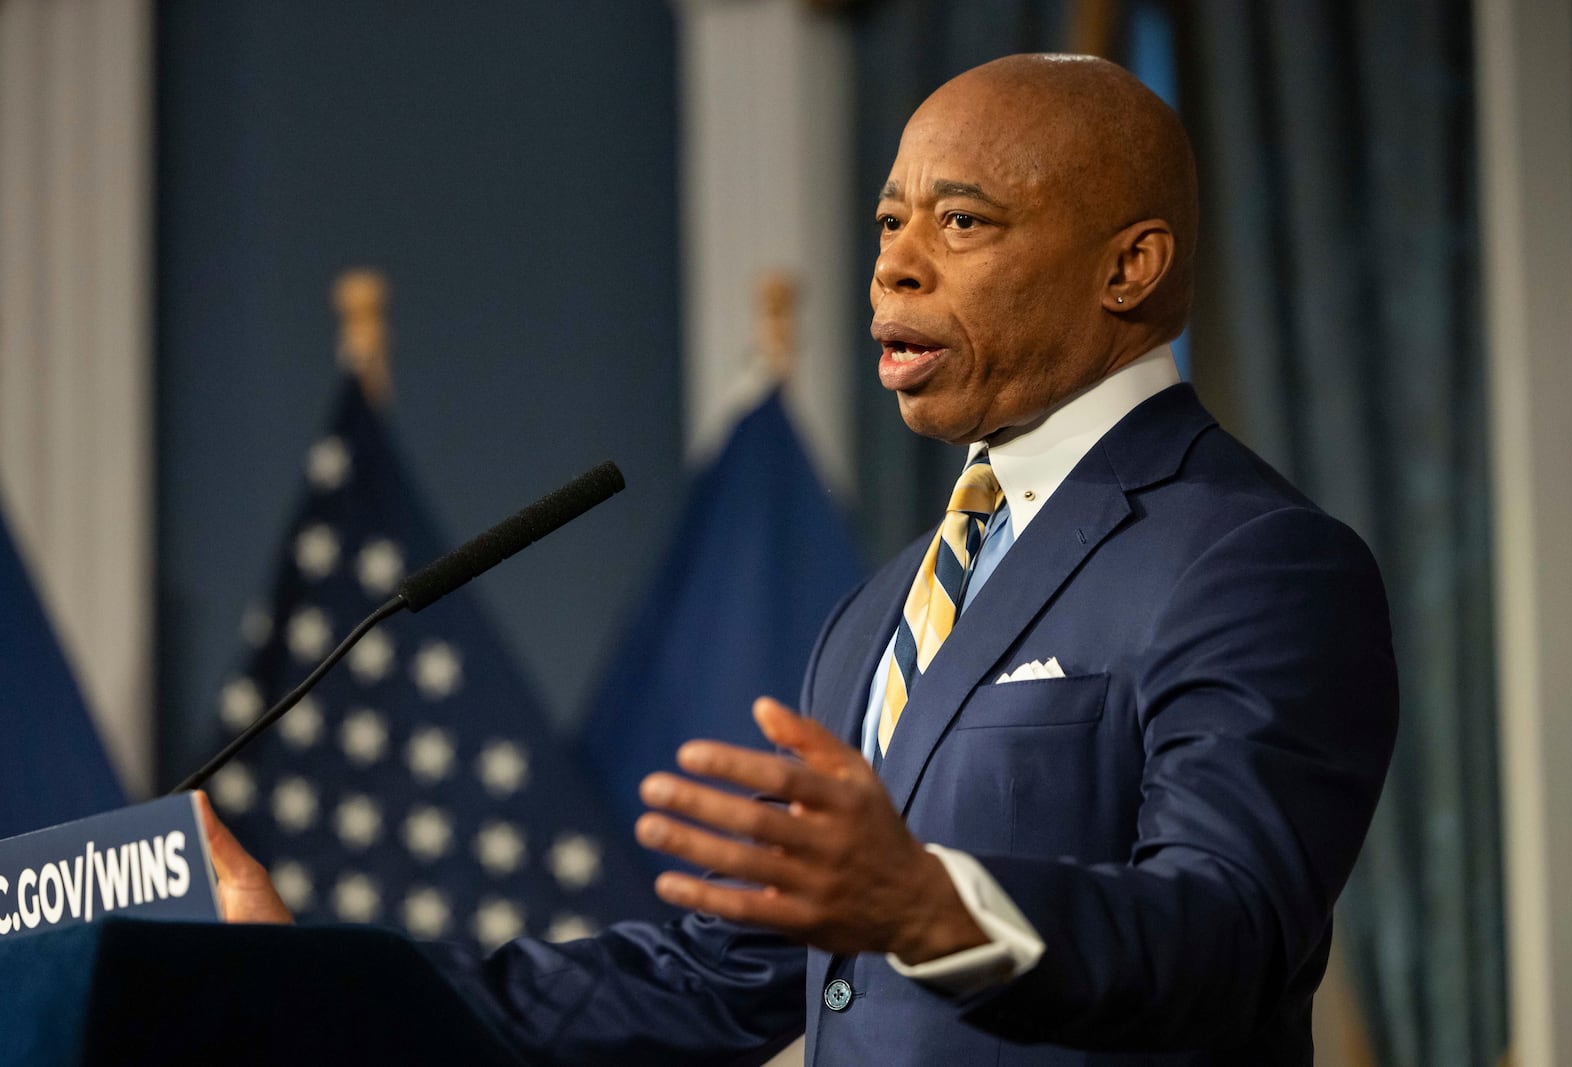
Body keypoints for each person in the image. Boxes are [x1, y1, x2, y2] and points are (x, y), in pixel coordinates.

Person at [204, 53, 1397, 1065]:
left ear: (1128, 266)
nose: (895, 265)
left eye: (963, 221)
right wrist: (326, 986)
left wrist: (938, 908)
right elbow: (729, 974)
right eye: (889, 223)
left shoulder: (1253, 560)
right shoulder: (884, 607)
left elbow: (1231, 932)